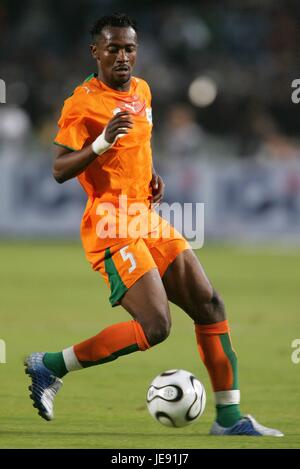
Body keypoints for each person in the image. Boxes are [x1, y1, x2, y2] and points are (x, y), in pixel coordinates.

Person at [24, 13, 283, 437]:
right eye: (113, 48)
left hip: (146, 215)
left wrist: (149, 175)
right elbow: (58, 168)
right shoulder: (83, 103)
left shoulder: (142, 91)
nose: (123, 56)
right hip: (111, 223)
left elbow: (138, 145)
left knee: (209, 304)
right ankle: (50, 366)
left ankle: (230, 419)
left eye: (129, 48)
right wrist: (102, 141)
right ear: (96, 52)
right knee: (156, 326)